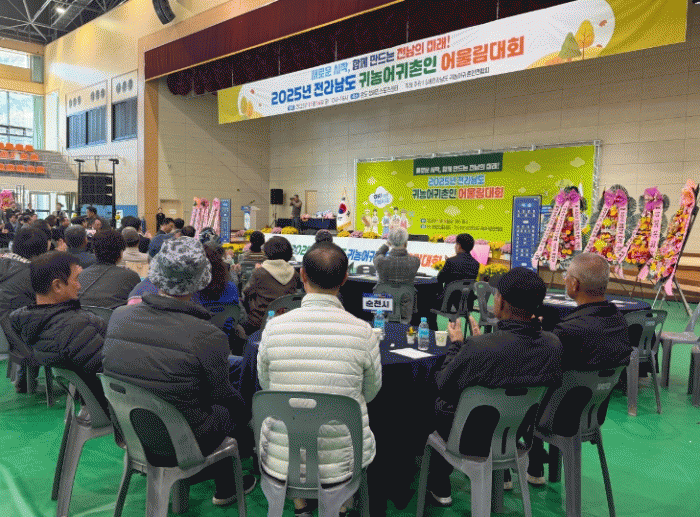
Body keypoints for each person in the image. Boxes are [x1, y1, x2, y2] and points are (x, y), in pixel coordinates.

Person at [102, 236, 256, 505]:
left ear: (156, 270)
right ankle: (226, 484)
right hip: (184, 440)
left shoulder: (119, 316)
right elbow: (222, 396)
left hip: (132, 431)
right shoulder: (206, 335)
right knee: (232, 412)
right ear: (202, 278)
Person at [258, 241, 382, 516]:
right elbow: (370, 392)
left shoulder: (273, 328)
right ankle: (341, 507)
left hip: (281, 459)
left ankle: (300, 506)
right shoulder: (363, 332)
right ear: (345, 278)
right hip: (342, 461)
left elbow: (267, 387)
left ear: (302, 275)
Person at [427, 267, 563, 507]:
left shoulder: (480, 348)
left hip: (468, 438)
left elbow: (443, 386)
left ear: (501, 302)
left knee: (432, 402)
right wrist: (477, 343)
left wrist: (458, 346)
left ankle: (439, 483)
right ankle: (502, 475)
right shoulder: (553, 345)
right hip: (515, 434)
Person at [526, 252, 632, 485]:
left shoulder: (570, 331)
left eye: (566, 276)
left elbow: (537, 367)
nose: (565, 279)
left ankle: (509, 470)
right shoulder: (620, 322)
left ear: (574, 283)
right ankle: (535, 465)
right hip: (593, 414)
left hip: (558, 416)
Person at [10, 251, 108, 410]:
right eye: (75, 279)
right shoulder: (75, 328)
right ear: (57, 286)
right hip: (111, 404)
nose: (79, 286)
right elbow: (108, 370)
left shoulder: (32, 323)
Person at [0, 228, 51, 392]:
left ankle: (23, 378)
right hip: (25, 337)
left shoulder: (5, 263)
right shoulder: (34, 274)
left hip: (8, 334)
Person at [242, 235, 300, 334]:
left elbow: (246, 292)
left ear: (267, 251)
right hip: (286, 321)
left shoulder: (260, 273)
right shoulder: (295, 274)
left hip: (259, 323)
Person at [193, 245, 243, 350]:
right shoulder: (231, 288)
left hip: (195, 345)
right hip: (226, 342)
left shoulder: (191, 294)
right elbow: (239, 317)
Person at [428, 233, 481, 330]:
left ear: (459, 246)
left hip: (447, 304)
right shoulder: (476, 264)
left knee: (427, 301)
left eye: (456, 244)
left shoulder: (451, 261)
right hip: (467, 304)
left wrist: (447, 265)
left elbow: (440, 279)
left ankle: (433, 330)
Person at [78, 229, 141, 308]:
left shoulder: (80, 276)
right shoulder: (131, 276)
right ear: (121, 252)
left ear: (94, 251)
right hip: (115, 315)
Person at [373, 227, 420, 321]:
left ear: (390, 242)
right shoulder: (415, 261)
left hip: (383, 304)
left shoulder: (380, 261)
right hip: (406, 306)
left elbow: (377, 254)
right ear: (406, 243)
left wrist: (386, 245)